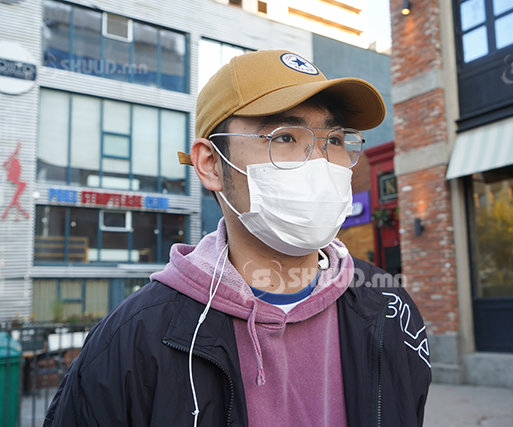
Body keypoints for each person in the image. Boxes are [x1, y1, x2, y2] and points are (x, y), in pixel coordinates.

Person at [44, 49, 431, 426]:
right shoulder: (132, 340)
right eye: (284, 137)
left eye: (334, 140)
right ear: (211, 164)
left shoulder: (389, 310)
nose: (320, 162)